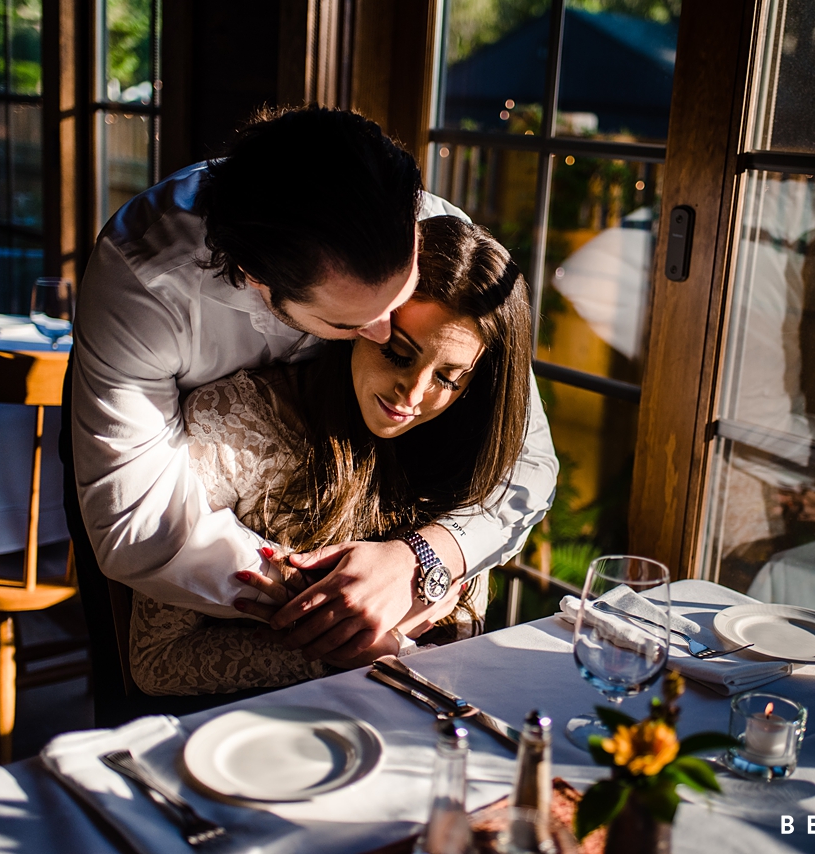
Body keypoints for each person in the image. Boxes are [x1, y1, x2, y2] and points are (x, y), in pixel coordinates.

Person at [64, 107, 557, 717]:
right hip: (167, 477)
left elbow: (526, 457)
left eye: (398, 301)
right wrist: (337, 609)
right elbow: (140, 528)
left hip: (354, 483)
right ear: (255, 280)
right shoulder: (143, 279)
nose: (383, 332)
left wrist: (419, 560)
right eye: (352, 325)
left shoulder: (432, 233)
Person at [129, 216, 532, 695]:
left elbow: (462, 641)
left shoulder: (461, 450)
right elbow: (155, 660)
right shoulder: (235, 426)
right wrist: (354, 653)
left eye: (448, 377)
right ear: (366, 320)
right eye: (400, 354)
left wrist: (389, 645)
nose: (413, 394)